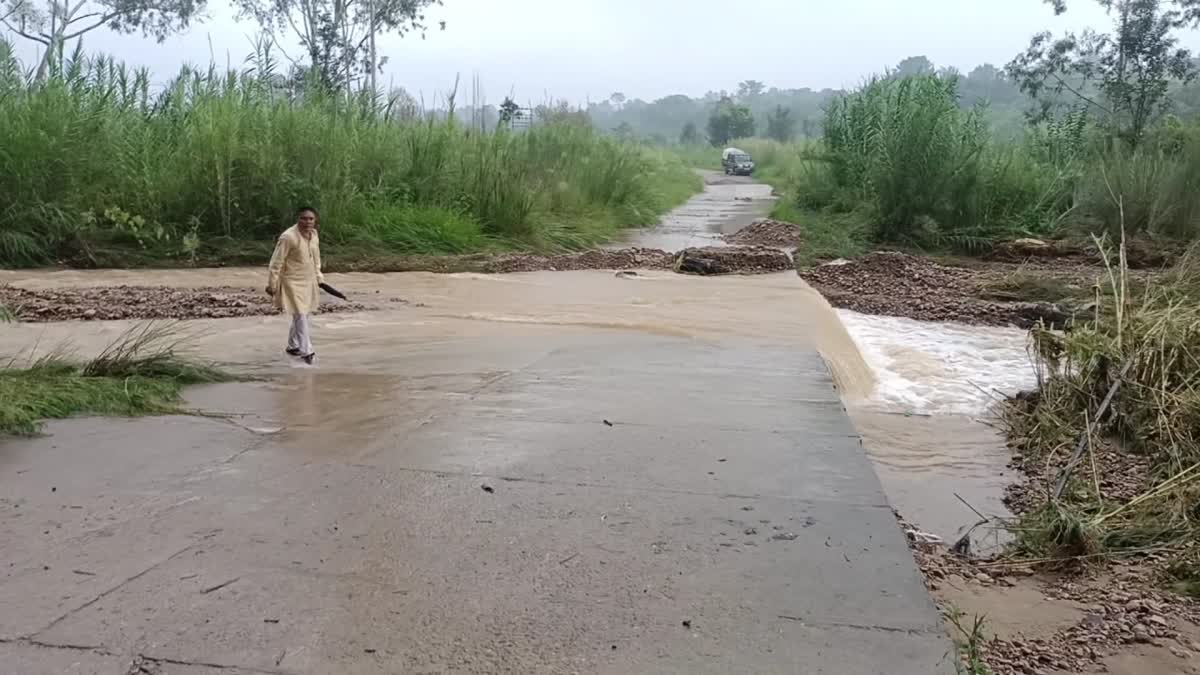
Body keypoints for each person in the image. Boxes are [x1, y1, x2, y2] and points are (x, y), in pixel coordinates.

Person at [267, 207, 324, 365]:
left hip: (308, 279)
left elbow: (316, 258)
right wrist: (272, 284)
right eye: (304, 218)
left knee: (303, 315)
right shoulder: (288, 237)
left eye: (311, 219)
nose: (307, 222)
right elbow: (276, 262)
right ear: (297, 219)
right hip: (291, 281)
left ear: (315, 220)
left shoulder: (314, 235)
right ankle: (307, 351)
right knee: (300, 313)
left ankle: (293, 346)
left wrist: (319, 277)